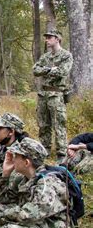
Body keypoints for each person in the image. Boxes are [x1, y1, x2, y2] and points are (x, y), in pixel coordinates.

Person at [0, 137, 68, 228]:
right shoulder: (23, 177)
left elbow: (28, 214)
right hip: (27, 219)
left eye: (16, 156)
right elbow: (1, 198)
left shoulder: (47, 184)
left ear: (26, 162)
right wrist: (5, 174)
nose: (12, 159)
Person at [33, 29, 73, 161]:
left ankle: (62, 153)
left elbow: (63, 72)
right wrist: (50, 69)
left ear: (57, 38)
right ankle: (45, 150)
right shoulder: (45, 56)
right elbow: (35, 70)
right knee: (43, 124)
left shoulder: (66, 55)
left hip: (56, 94)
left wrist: (45, 71)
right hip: (43, 94)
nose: (47, 39)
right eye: (46, 37)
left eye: (50, 37)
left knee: (59, 124)